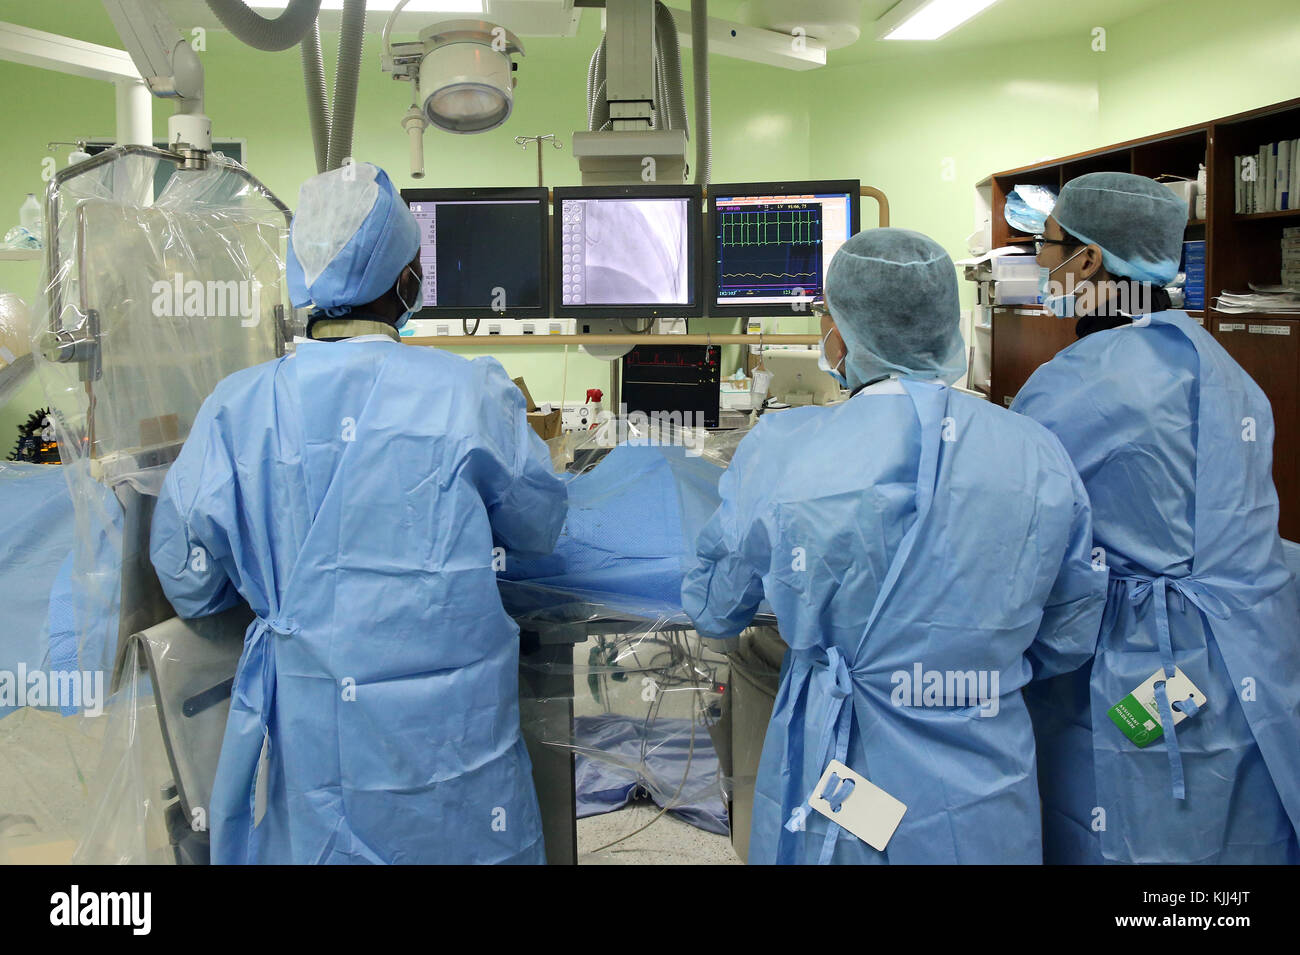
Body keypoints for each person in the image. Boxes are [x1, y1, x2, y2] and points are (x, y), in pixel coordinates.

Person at [149, 162, 567, 864]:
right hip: (452, 752)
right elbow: (537, 526)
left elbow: (188, 579)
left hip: (316, 747)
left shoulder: (238, 408)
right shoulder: (467, 393)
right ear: (408, 282)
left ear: (300, 275)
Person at [682, 228, 1107, 864]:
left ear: (841, 328)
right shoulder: (1034, 450)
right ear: (944, 322)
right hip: (982, 787)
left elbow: (717, 609)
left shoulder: (784, 447)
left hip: (836, 764)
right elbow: (1068, 634)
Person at [1013, 171, 1300, 864]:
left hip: (1141, 659)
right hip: (1251, 648)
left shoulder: (1076, 381)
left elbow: (1017, 519)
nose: (1039, 265)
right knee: (1234, 831)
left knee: (1134, 824)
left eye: (1047, 246)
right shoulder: (1224, 364)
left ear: (1088, 259)